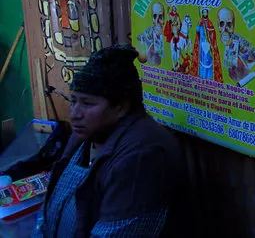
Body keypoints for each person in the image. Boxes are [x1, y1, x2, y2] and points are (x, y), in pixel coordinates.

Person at [32, 44, 183, 238]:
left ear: (120, 107)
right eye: (73, 101)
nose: (74, 114)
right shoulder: (87, 133)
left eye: (87, 104)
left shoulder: (143, 155)